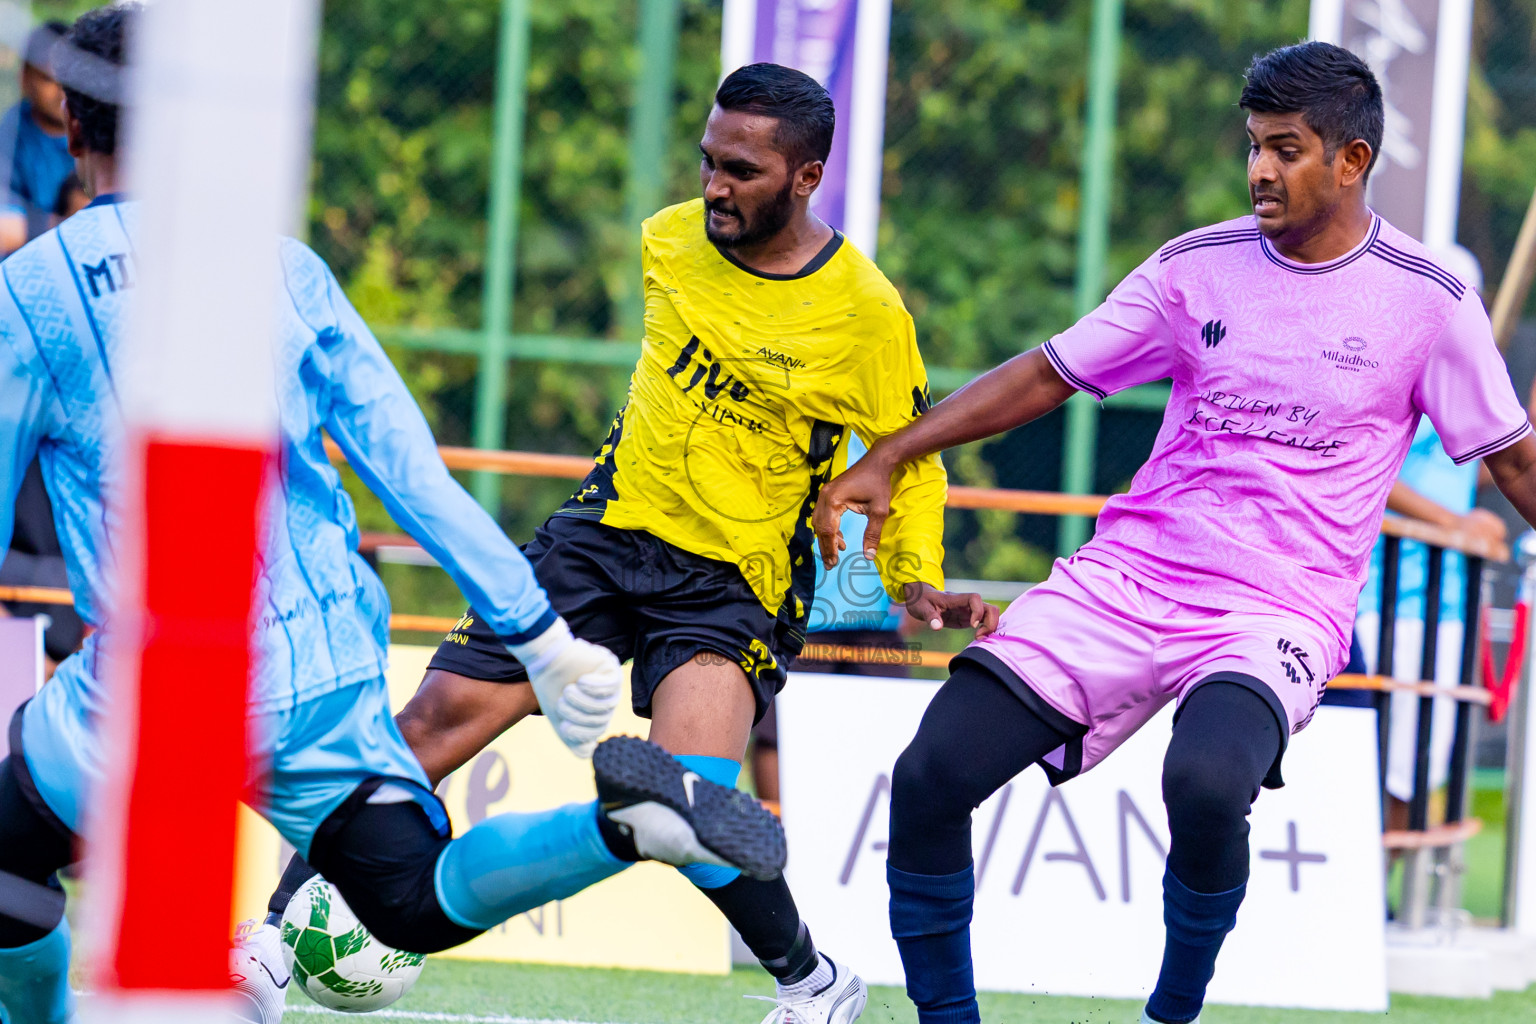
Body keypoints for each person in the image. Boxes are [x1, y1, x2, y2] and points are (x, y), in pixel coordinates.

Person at [0, 9, 785, 1024]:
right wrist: (540, 640)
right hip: (315, 674)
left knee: (9, 867)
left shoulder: (29, 294)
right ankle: (620, 828)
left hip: (154, 688)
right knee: (411, 898)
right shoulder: (284, 268)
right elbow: (416, 478)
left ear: (67, 123)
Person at [254, 62, 993, 1024]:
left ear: (806, 178)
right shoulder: (671, 241)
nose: (714, 187)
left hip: (734, 581)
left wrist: (913, 579)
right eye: (707, 162)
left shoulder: (865, 313)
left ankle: (814, 984)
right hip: (599, 539)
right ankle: (268, 946)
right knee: (426, 727)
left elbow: (914, 459)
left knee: (690, 800)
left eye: (742, 170)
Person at [814, 41, 1536, 1024]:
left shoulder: (1430, 302)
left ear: (1353, 161)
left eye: (1285, 149)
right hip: (1124, 581)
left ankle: (1174, 1011)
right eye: (1253, 146)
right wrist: (891, 453)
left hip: (1277, 610)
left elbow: (1514, 461)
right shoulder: (1198, 267)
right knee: (931, 772)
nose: (1260, 171)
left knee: (1203, 781)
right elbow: (1046, 372)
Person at [0, 21, 74, 255]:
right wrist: (69, 225)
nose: (61, 91)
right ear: (25, 77)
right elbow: (6, 229)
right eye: (49, 79)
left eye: (70, 80)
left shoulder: (100, 132)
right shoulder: (9, 135)